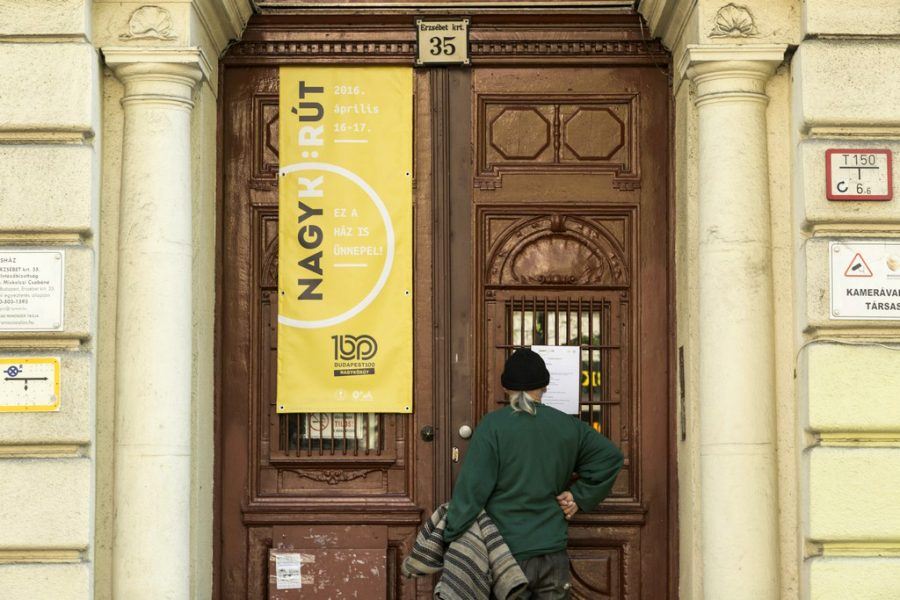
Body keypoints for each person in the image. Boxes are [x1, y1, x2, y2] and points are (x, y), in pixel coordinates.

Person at [443, 348, 624, 599]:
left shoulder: (492, 427)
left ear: (506, 389)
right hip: (553, 553)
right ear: (545, 387)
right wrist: (579, 497)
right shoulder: (568, 426)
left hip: (506, 555)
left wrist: (450, 535)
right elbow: (611, 458)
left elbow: (471, 491)